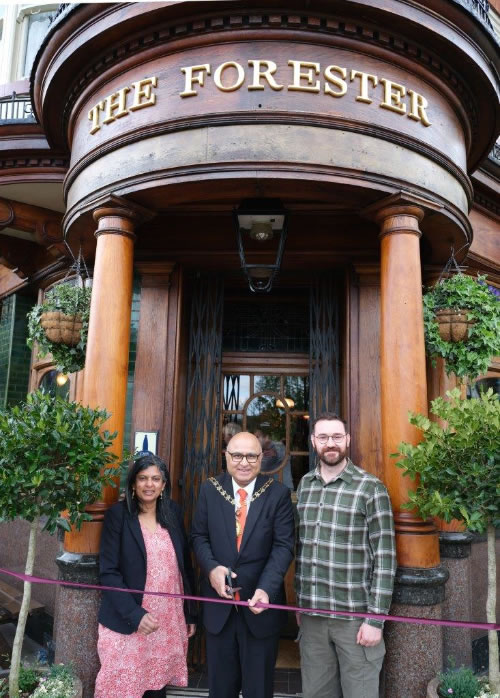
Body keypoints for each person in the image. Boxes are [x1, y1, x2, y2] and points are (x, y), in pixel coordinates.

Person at [295, 413, 397, 698]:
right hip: (313, 618)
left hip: (355, 620)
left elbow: (385, 559)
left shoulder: (370, 488)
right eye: (324, 437)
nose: (331, 443)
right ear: (314, 441)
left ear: (347, 440)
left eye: (337, 437)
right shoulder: (305, 485)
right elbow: (301, 548)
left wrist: (375, 619)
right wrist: (301, 605)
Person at [191, 431, 295, 698]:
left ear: (261, 458)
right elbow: (199, 537)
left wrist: (266, 589)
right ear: (226, 456)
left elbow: (283, 547)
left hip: (259, 610)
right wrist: (212, 569)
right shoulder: (209, 489)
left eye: (251, 456)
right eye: (237, 455)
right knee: (221, 690)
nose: (244, 462)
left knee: (258, 691)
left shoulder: (277, 494)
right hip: (219, 610)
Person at [95, 453, 196, 698]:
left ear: (163, 485)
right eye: (142, 478)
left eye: (155, 479)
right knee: (122, 688)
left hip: (165, 622)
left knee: (156, 687)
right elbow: (108, 572)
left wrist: (190, 613)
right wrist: (135, 615)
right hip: (128, 620)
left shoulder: (172, 513)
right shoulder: (117, 516)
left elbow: (184, 566)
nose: (149, 484)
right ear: (132, 483)